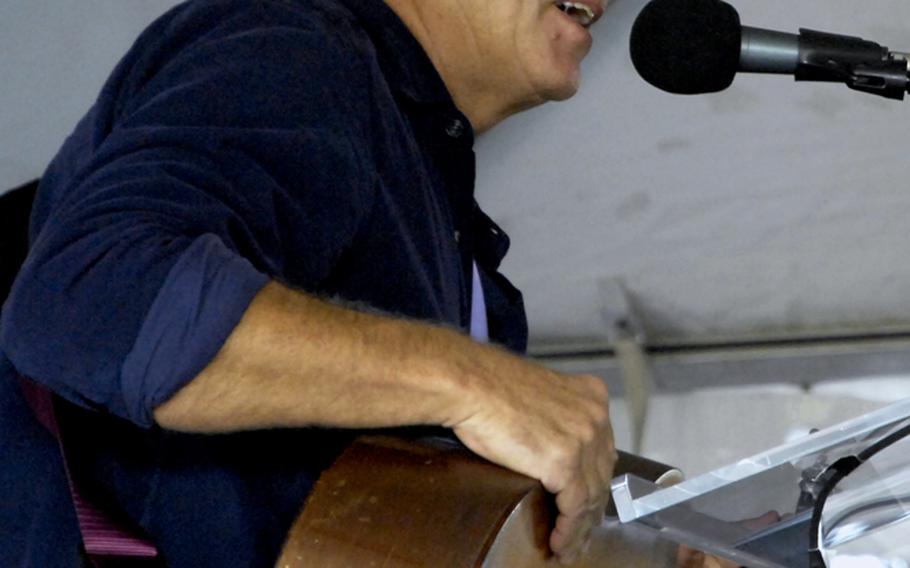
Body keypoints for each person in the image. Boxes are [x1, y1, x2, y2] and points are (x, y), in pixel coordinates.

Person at [0, 0, 724, 566]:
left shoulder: (450, 231)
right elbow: (92, 299)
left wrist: (643, 550)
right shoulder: (298, 51)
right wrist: (471, 379)